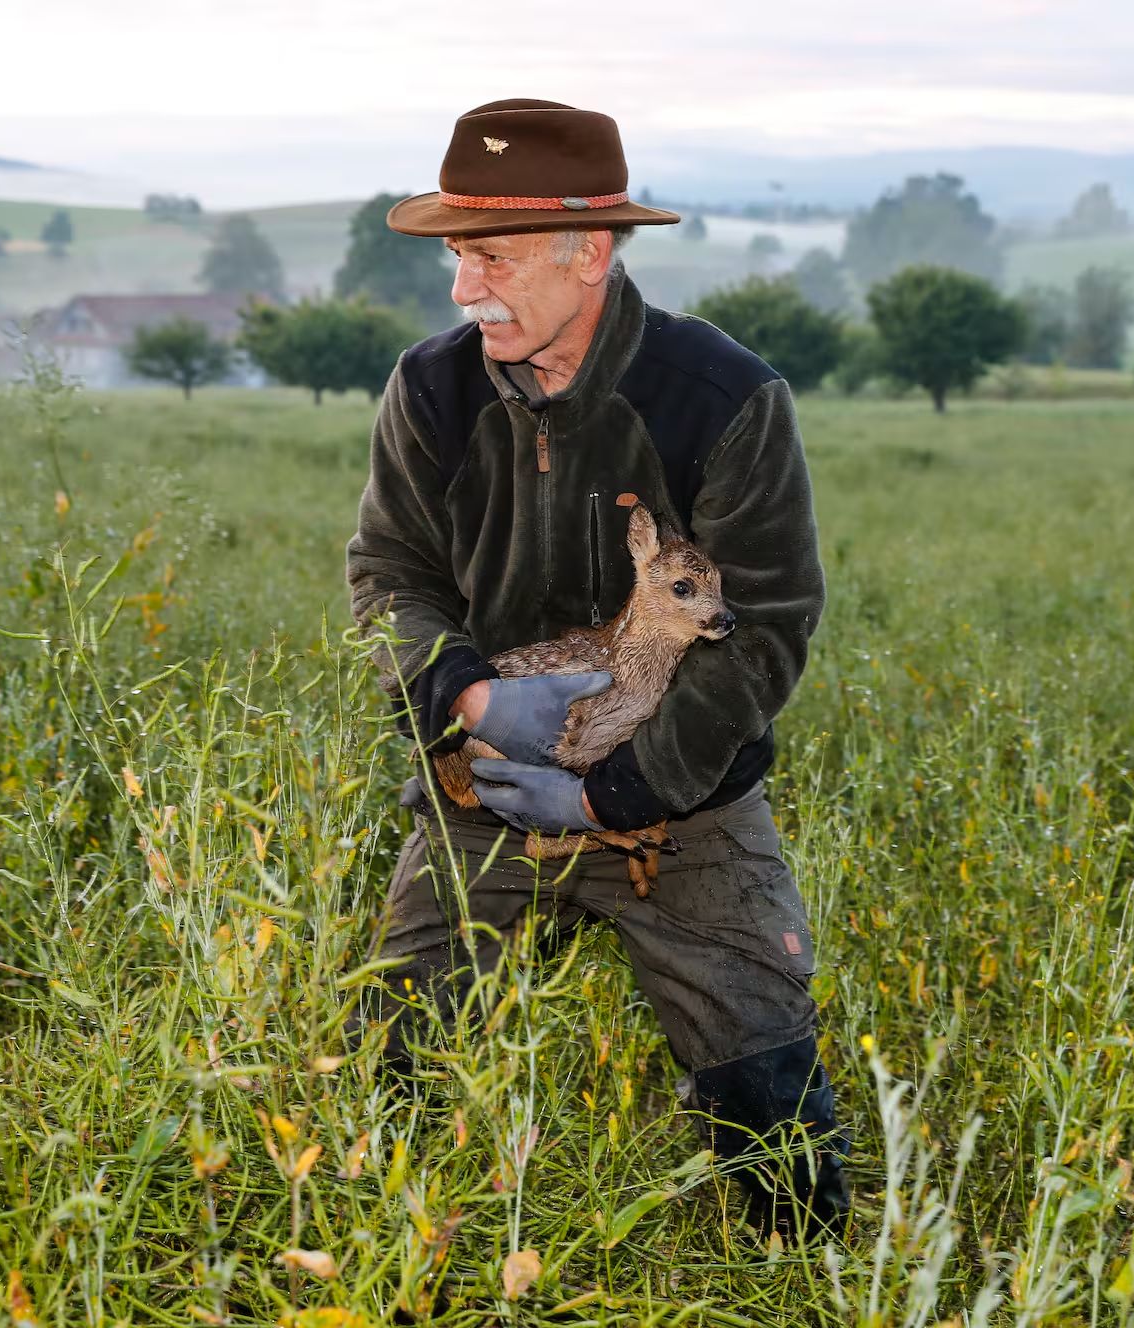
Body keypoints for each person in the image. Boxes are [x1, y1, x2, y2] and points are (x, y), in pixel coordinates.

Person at [346, 98, 846, 1238]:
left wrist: (613, 790)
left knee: (767, 1085)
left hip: (683, 801)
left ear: (593, 252)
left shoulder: (722, 397)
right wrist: (473, 696)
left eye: (495, 257)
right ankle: (396, 1264)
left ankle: (805, 1278)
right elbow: (387, 571)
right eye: (456, 258)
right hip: (490, 783)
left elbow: (760, 627)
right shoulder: (429, 390)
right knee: (395, 1050)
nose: (466, 289)